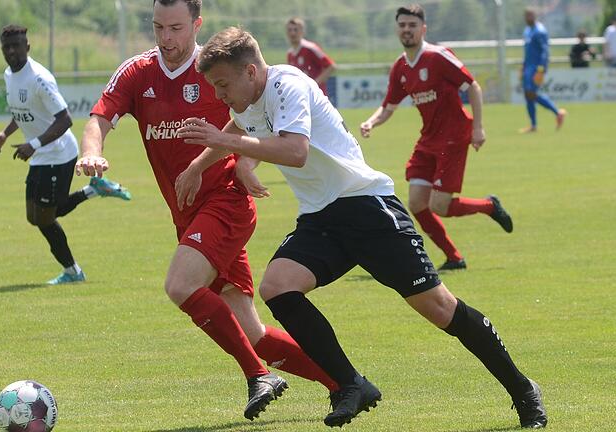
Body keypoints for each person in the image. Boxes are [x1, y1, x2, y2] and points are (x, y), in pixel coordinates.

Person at [178, 25, 547, 429]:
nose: (219, 95)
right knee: (277, 286)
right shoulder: (248, 96)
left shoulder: (287, 85)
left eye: (222, 85)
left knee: (440, 309)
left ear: (250, 72)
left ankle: (523, 388)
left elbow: (295, 151)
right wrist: (199, 166)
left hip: (368, 207)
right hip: (322, 218)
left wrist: (230, 148)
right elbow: (237, 125)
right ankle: (352, 384)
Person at [74, 0, 338, 421]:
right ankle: (344, 383)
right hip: (189, 217)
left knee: (180, 285)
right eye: (158, 27)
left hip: (227, 203)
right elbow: (99, 118)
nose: (166, 38)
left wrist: (242, 165)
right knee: (251, 332)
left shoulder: (219, 71)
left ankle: (258, 376)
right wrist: (92, 153)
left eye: (176, 27)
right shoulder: (137, 72)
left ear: (196, 24)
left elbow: (258, 118)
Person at [358, 4, 511, 272]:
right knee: (417, 203)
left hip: (454, 135)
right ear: (398, 29)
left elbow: (473, 87)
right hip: (429, 138)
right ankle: (454, 257)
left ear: (423, 29)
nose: (407, 30)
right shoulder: (401, 67)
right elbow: (389, 106)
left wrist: (478, 128)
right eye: (403, 25)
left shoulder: (438, 56)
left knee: (439, 205)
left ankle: (489, 206)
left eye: (412, 25)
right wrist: (371, 121)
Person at [0, 24, 131, 285]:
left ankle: (73, 272)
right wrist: (5, 134)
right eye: (6, 47)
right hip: (41, 154)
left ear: (27, 47)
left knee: (45, 217)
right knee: (34, 216)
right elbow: (22, 111)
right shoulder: (9, 74)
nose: (11, 51)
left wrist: (33, 144)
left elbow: (65, 119)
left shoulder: (39, 78)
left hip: (59, 154)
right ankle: (94, 189)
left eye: (16, 46)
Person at [520, 7, 566, 133]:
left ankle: (558, 112)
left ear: (535, 16)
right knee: (528, 95)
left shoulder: (540, 31)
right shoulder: (527, 31)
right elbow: (527, 51)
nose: (527, 18)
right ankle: (534, 125)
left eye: (530, 15)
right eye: (526, 16)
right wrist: (523, 66)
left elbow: (545, 51)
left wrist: (541, 69)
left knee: (531, 94)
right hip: (528, 67)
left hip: (536, 68)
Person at [286, 17, 336, 96]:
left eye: (296, 30)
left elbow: (331, 66)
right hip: (301, 96)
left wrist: (314, 84)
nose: (292, 33)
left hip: (316, 96)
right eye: (290, 30)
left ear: (302, 31)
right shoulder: (290, 54)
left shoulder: (311, 48)